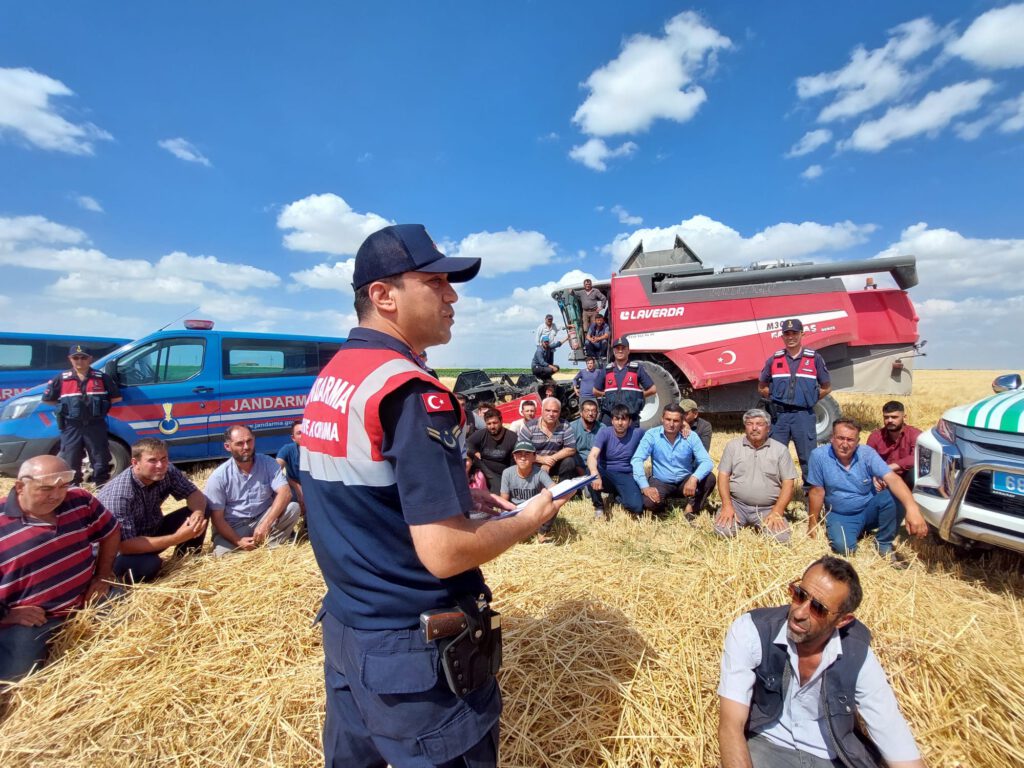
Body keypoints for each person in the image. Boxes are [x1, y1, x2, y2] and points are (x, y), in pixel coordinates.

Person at [299, 223, 564, 767]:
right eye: (436, 282)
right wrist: (529, 519)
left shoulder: (338, 376)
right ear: (383, 295)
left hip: (349, 631)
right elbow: (444, 553)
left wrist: (456, 495)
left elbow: (360, 493)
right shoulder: (410, 392)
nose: (452, 296)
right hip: (412, 656)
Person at [718, 556, 926, 768]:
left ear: (843, 620)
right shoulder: (751, 630)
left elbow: (892, 733)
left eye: (818, 608)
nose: (799, 613)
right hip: (768, 748)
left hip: (831, 758)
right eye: (799, 595)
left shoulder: (858, 656)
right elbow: (731, 725)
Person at [0, 455, 120, 682]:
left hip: (87, 600)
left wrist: (103, 575)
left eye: (63, 486)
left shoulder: (79, 500)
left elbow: (110, 531)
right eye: (45, 489)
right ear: (20, 486)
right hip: (33, 619)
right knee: (15, 679)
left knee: (135, 632)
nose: (56, 496)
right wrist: (8, 616)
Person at [807, 419, 928, 559]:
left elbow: (893, 479)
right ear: (832, 438)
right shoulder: (818, 456)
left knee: (895, 495)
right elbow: (817, 491)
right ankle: (853, 531)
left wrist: (913, 509)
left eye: (850, 440)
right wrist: (812, 524)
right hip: (841, 514)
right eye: (840, 438)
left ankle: (884, 543)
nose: (845, 444)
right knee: (844, 548)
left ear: (858, 441)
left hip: (869, 509)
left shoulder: (867, 454)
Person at [98, 437, 209, 582]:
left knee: (203, 509)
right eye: (152, 460)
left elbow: (194, 494)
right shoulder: (119, 495)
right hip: (122, 552)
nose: (160, 465)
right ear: (135, 463)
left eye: (164, 459)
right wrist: (178, 537)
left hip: (152, 531)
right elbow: (125, 545)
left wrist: (198, 513)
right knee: (150, 564)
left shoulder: (167, 471)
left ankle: (186, 561)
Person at [757, 319, 831, 491]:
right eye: (787, 333)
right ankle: (774, 495)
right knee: (774, 457)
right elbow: (762, 386)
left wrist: (809, 399)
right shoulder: (774, 360)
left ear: (802, 334)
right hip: (780, 417)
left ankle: (810, 496)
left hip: (803, 416)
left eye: (794, 333)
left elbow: (827, 387)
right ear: (782, 336)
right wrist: (777, 398)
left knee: (808, 457)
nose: (791, 337)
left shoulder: (814, 359)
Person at [206, 425, 301, 556]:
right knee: (222, 554)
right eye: (240, 443)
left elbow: (285, 493)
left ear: (254, 440)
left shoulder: (268, 463)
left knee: (293, 508)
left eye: (249, 441)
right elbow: (217, 519)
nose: (246, 447)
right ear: (228, 447)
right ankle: (267, 544)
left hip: (263, 519)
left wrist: (266, 524)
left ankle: (267, 547)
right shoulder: (218, 477)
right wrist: (238, 541)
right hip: (235, 527)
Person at [41, 343, 123, 486]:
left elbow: (116, 398)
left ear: (90, 359)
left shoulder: (101, 378)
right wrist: (65, 407)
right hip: (72, 426)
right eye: (76, 358)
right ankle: (74, 489)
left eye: (83, 358)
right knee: (70, 458)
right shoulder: (61, 379)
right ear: (70, 359)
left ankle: (101, 486)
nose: (79, 361)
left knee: (100, 458)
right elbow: (48, 400)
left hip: (95, 425)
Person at [714, 409, 797, 544]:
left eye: (759, 424)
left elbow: (789, 483)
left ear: (768, 428)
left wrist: (777, 510)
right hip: (737, 504)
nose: (754, 428)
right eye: (749, 423)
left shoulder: (780, 450)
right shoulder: (732, 446)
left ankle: (762, 523)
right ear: (745, 427)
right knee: (723, 533)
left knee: (780, 540)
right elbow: (723, 476)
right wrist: (727, 505)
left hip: (768, 507)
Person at [631, 403, 715, 517]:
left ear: (682, 422)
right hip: (661, 481)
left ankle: (691, 509)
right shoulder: (652, 435)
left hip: (684, 480)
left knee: (709, 478)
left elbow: (707, 462)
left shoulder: (691, 436)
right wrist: (645, 487)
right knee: (648, 503)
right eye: (668, 419)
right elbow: (637, 459)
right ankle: (661, 505)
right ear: (662, 419)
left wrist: (694, 478)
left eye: (675, 421)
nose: (671, 424)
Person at [588, 403, 645, 517]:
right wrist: (595, 474)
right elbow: (592, 456)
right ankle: (599, 506)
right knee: (589, 473)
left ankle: (618, 495)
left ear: (629, 422)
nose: (620, 423)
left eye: (623, 419)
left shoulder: (637, 433)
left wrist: (684, 424)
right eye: (617, 419)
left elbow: (659, 431)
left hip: (626, 474)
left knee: (637, 507)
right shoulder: (605, 432)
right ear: (612, 421)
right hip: (606, 472)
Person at [593, 336, 656, 426]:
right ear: (613, 351)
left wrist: (639, 395)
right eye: (617, 348)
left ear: (628, 351)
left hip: (630, 416)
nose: (620, 351)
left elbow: (653, 389)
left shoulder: (637, 368)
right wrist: (606, 395)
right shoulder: (606, 370)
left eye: (623, 348)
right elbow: (595, 391)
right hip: (609, 417)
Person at [501, 442, 557, 541]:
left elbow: (555, 489)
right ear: (514, 457)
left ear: (534, 457)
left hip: (534, 510)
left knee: (554, 503)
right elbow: (503, 500)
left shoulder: (540, 473)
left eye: (527, 454)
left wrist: (548, 493)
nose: (523, 458)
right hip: (516, 511)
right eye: (519, 454)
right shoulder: (507, 473)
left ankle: (542, 532)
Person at [517, 396, 577, 480]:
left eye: (555, 411)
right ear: (542, 410)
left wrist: (550, 460)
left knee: (569, 462)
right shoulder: (529, 427)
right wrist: (542, 459)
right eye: (548, 410)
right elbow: (521, 451)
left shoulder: (565, 425)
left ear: (559, 412)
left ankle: (565, 490)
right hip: (534, 463)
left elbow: (571, 449)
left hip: (555, 463)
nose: (551, 414)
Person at [866, 401, 922, 491]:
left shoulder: (914, 434)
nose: (890, 420)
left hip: (905, 480)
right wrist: (875, 475)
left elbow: (916, 457)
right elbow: (867, 459)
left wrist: (886, 469)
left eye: (894, 417)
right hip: (881, 479)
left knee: (914, 472)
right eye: (886, 417)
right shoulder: (875, 436)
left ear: (904, 417)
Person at [466, 408, 518, 494]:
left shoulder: (512, 437)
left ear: (501, 421)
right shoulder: (482, 434)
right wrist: (474, 451)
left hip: (502, 471)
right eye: (489, 424)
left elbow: (514, 463)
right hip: (483, 466)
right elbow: (468, 443)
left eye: (495, 423)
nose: (492, 426)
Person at [569, 399, 606, 518]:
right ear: (581, 413)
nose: (591, 413)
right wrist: (581, 472)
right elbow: (570, 451)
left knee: (591, 491)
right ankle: (581, 485)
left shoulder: (603, 428)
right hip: (577, 465)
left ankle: (598, 504)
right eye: (587, 411)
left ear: (597, 413)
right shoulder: (572, 427)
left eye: (594, 411)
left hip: (595, 465)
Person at [275, 420, 306, 520]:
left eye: (306, 431)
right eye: (299, 433)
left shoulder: (320, 450)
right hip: (294, 491)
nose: (304, 435)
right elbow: (274, 471)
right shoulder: (287, 449)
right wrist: (296, 487)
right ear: (293, 438)